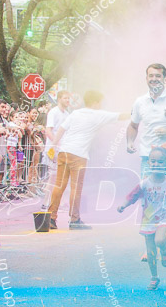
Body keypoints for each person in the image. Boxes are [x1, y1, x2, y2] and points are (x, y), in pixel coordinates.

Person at [46, 90, 128, 229]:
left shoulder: (75, 113)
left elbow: (61, 129)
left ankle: (51, 218)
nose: (102, 105)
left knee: (59, 186)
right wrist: (139, 111)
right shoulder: (98, 114)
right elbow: (121, 116)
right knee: (75, 189)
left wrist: (53, 146)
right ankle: (74, 220)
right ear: (96, 102)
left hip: (64, 152)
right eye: (101, 102)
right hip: (78, 155)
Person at [119, 147, 166, 290]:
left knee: (160, 240)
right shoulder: (145, 183)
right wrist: (123, 206)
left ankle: (164, 251)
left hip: (165, 218)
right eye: (153, 161)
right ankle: (154, 277)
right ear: (148, 163)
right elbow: (132, 196)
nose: (156, 164)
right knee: (150, 252)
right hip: (148, 220)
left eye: (160, 161)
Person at [44, 91, 72, 178]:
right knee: (51, 173)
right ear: (59, 99)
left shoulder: (67, 114)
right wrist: (56, 143)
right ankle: (47, 191)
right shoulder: (53, 112)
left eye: (68, 98)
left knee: (60, 174)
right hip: (52, 148)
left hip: (62, 149)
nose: (67, 100)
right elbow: (48, 131)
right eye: (65, 98)